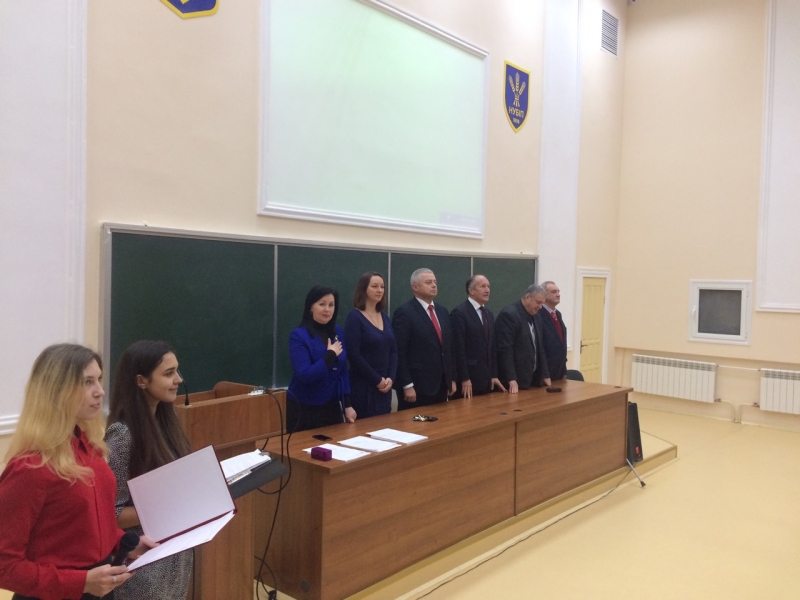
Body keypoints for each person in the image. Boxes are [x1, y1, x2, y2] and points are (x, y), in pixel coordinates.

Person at [0, 344, 152, 600]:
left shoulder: (90, 449)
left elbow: (83, 528)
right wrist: (81, 582)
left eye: (99, 380)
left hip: (98, 589)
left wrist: (124, 542)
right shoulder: (30, 467)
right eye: (87, 382)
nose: (100, 391)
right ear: (57, 389)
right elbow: (4, 566)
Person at [105, 341, 193, 600]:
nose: (179, 379)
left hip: (174, 556)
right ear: (141, 381)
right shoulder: (123, 435)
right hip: (142, 567)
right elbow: (109, 513)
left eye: (177, 370)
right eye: (168, 373)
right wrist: (168, 504)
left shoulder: (167, 421)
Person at [287, 285, 355, 432]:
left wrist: (348, 405)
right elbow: (305, 375)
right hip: (304, 408)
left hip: (332, 406)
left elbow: (343, 370)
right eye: (322, 304)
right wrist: (330, 355)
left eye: (331, 305)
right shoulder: (298, 336)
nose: (327, 309)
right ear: (311, 307)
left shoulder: (337, 332)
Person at [392, 268, 455, 410]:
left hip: (441, 385)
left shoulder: (442, 311)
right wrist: (407, 385)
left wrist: (451, 379)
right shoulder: (404, 312)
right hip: (416, 387)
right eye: (428, 282)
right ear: (415, 287)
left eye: (435, 282)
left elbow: (448, 348)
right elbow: (399, 351)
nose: (434, 285)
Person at [344, 272, 397, 418]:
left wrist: (391, 378)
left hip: (384, 387)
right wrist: (377, 380)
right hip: (363, 386)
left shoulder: (385, 317)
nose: (379, 290)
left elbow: (393, 350)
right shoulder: (354, 317)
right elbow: (354, 355)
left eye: (382, 287)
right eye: (374, 286)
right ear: (363, 289)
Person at [450, 275, 506, 398]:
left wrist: (494, 375)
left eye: (488, 286)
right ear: (471, 290)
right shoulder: (459, 313)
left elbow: (492, 348)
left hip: (487, 380)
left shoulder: (489, 314)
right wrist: (464, 378)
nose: (487, 290)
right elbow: (458, 349)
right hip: (468, 381)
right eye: (483, 286)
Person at [495, 284, 552, 392]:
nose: (540, 307)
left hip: (533, 380)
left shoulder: (537, 316)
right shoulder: (509, 315)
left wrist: (545, 374)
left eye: (542, 303)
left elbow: (540, 347)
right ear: (527, 297)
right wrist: (511, 378)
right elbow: (505, 350)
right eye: (538, 302)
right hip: (514, 382)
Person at [538, 281, 584, 382]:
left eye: (558, 291)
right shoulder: (538, 315)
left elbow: (561, 342)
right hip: (544, 374)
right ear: (543, 295)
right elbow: (540, 347)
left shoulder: (558, 314)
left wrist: (564, 370)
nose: (558, 294)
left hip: (559, 372)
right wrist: (544, 374)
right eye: (553, 292)